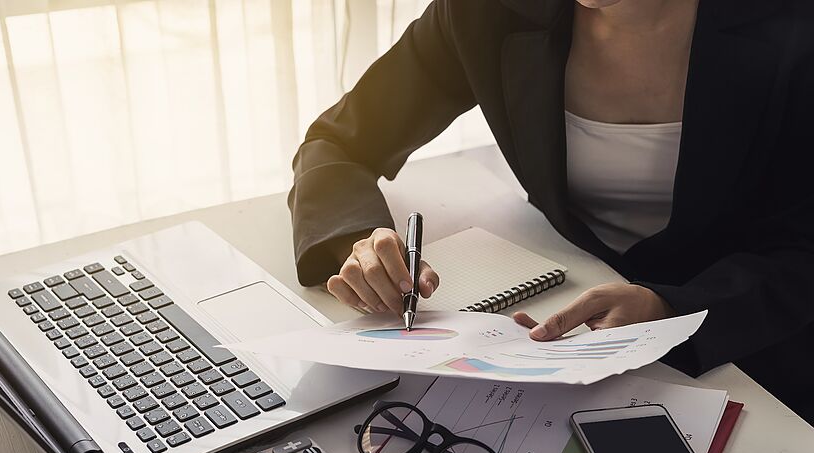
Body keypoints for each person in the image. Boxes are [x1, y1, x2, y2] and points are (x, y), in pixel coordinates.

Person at [287, 0, 814, 425]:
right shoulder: (485, 12)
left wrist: (672, 307)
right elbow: (338, 142)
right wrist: (361, 241)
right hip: (567, 329)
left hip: (757, 342)